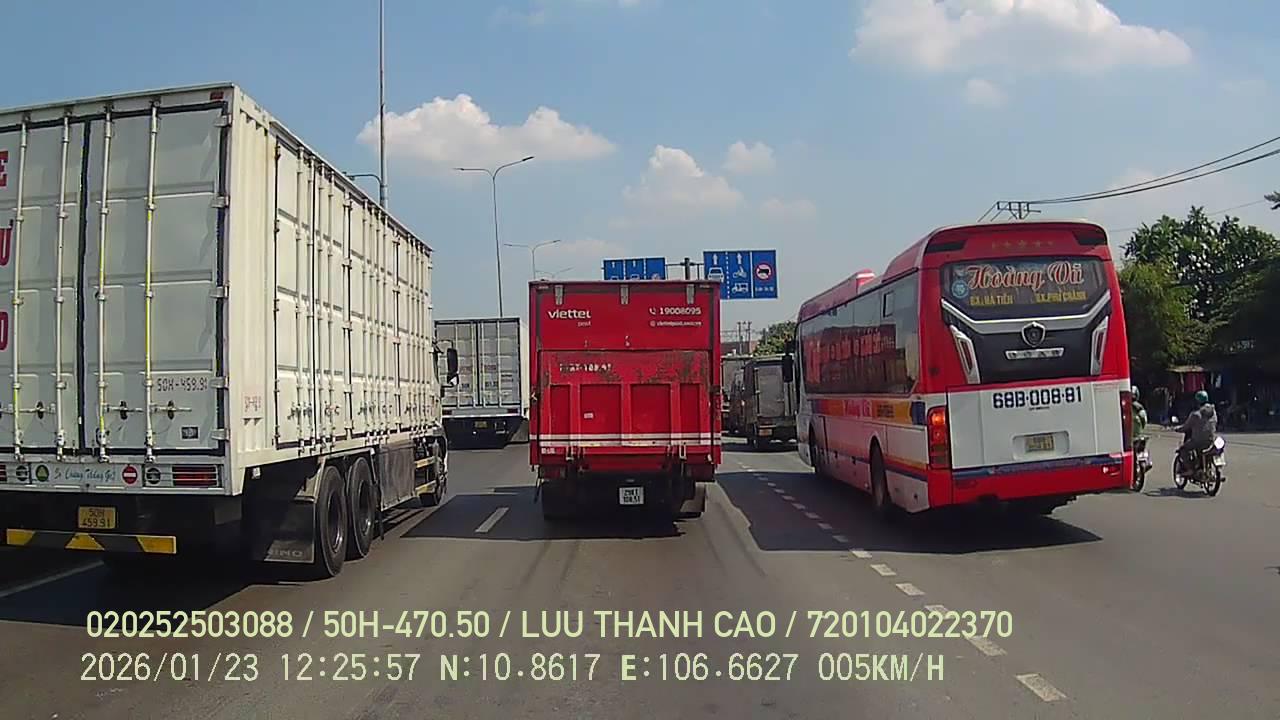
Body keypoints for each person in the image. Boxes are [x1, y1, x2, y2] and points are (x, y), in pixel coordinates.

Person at [1175, 390, 1217, 475]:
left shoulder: (1195, 414)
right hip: (1210, 440)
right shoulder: (1213, 413)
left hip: (1198, 441)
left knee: (1183, 450)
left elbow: (1186, 427)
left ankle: (1190, 469)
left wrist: (1177, 429)